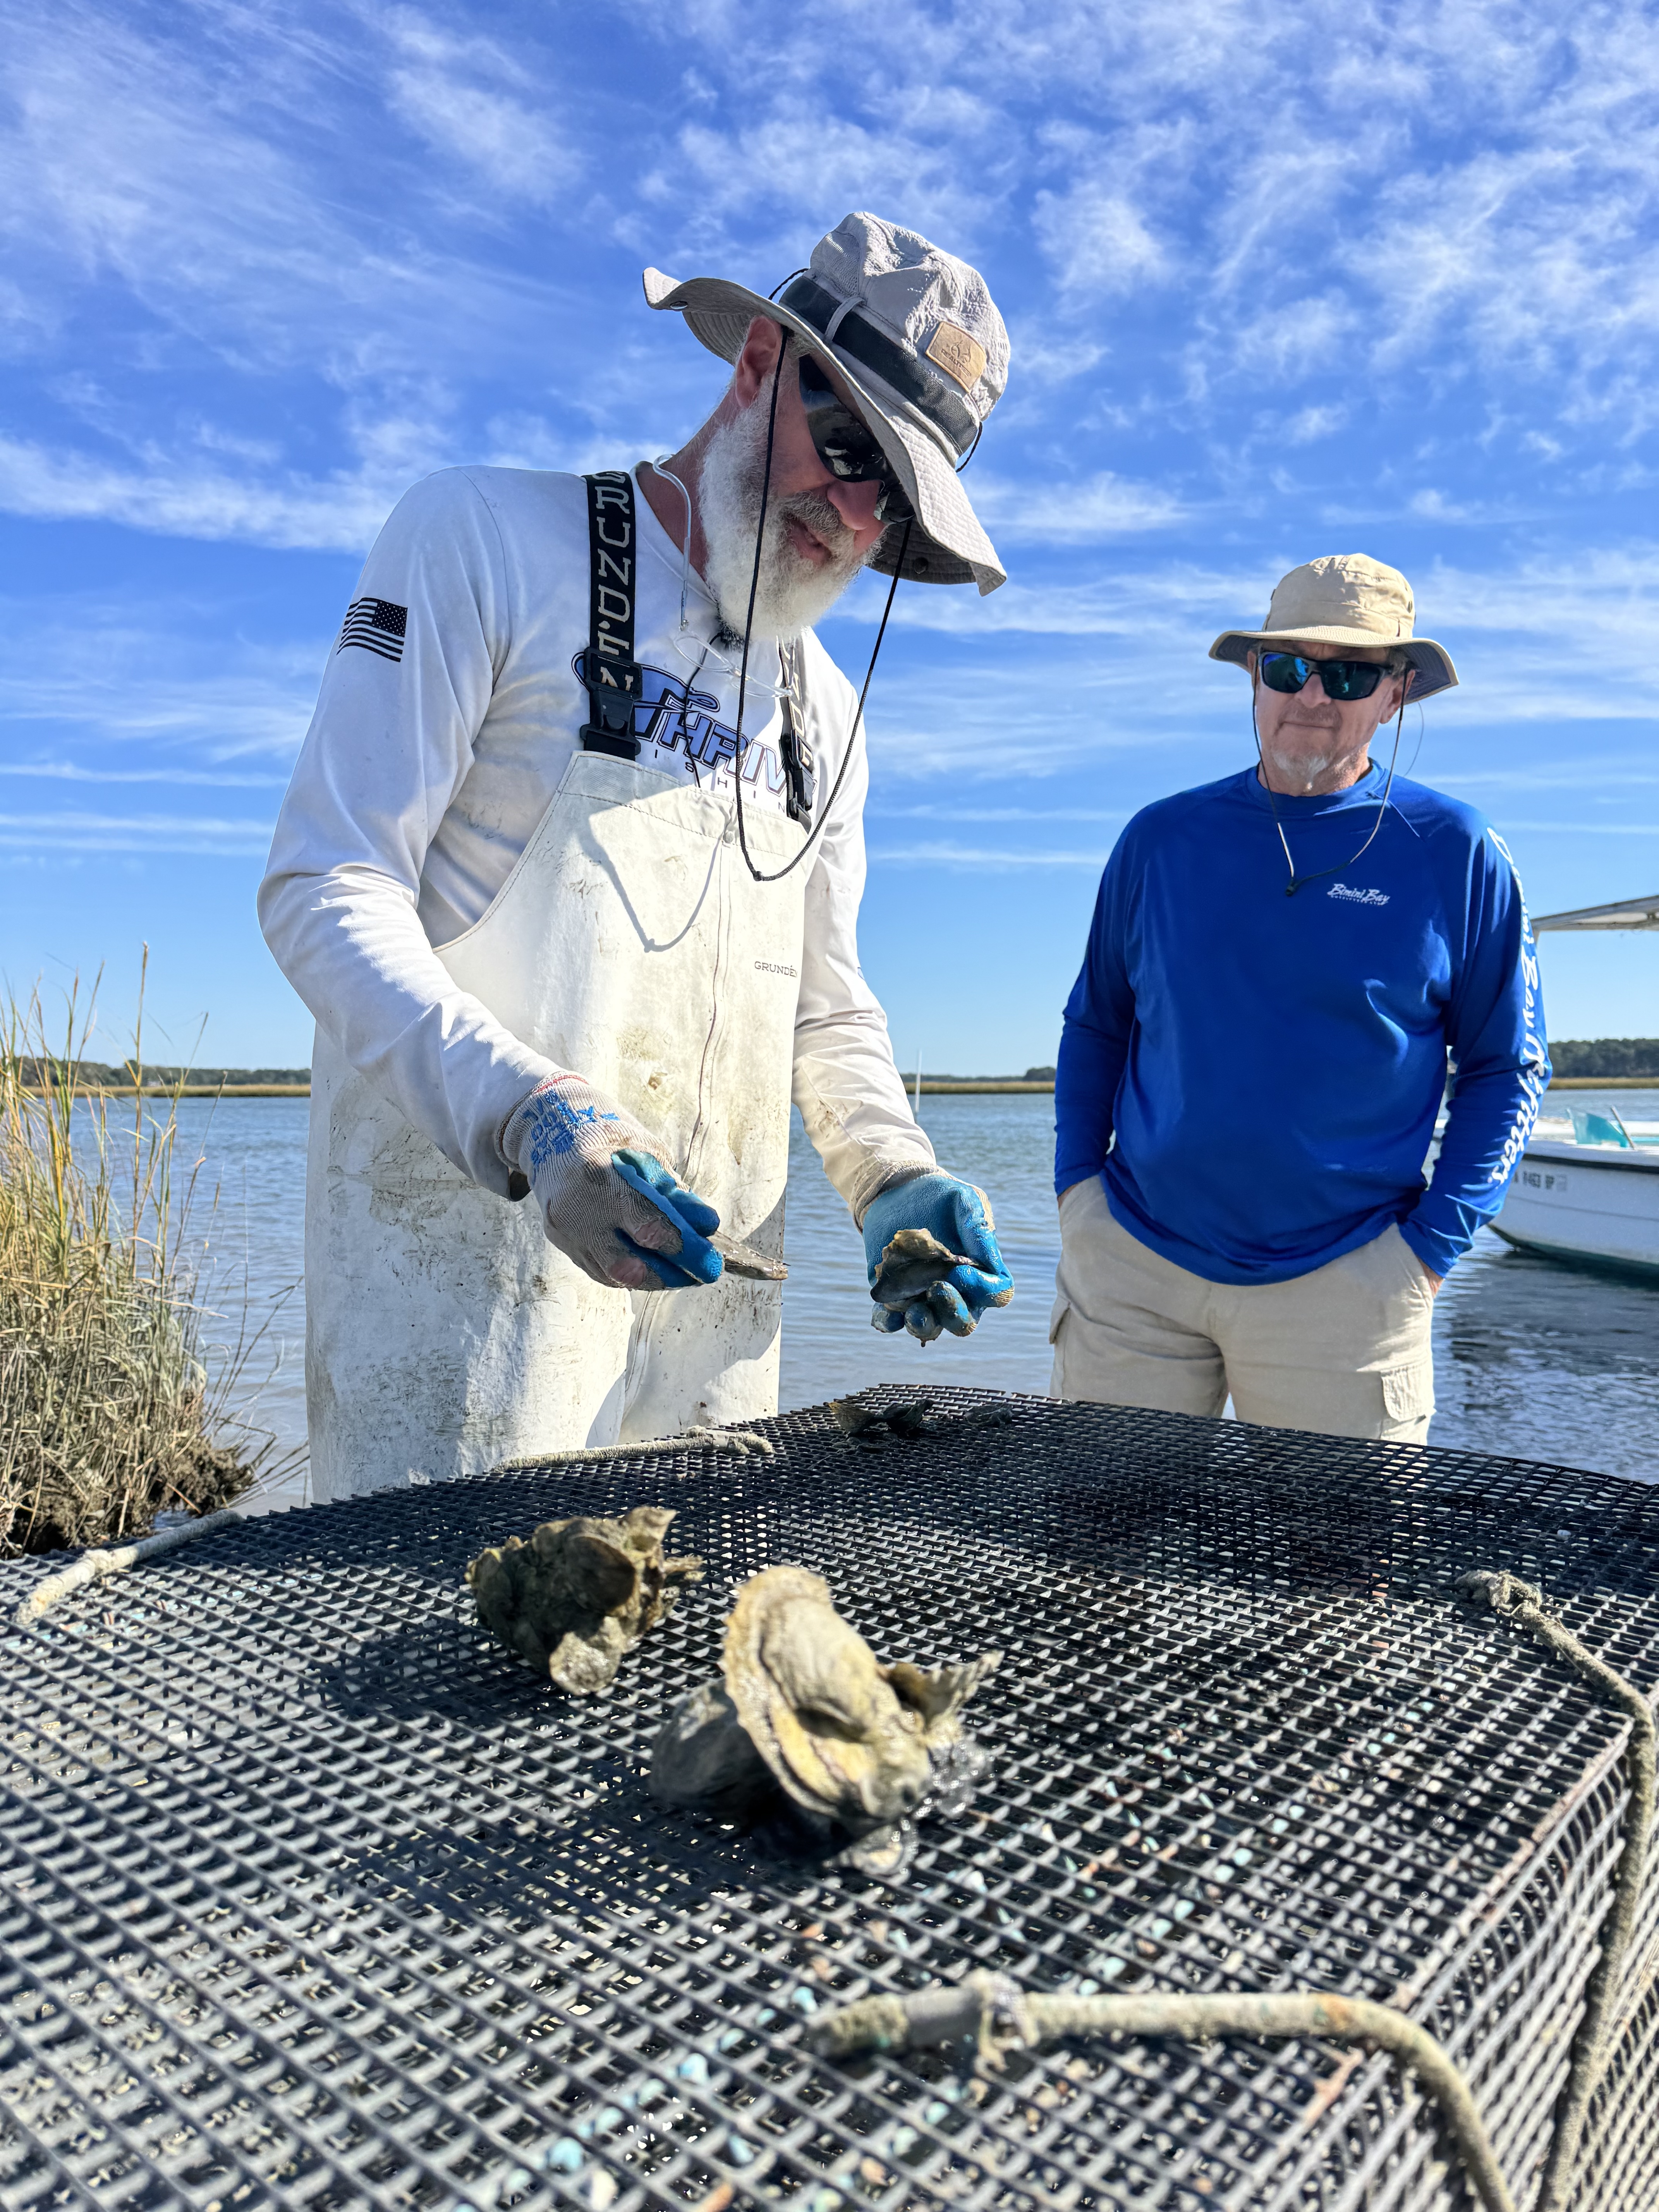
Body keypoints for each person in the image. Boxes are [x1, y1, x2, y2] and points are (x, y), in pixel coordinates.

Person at [259, 212, 1015, 1499]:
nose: (851, 514)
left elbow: (825, 1003)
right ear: (756, 364)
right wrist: (532, 1117)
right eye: (846, 452)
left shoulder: (824, 710)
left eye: (895, 501)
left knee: (694, 1680)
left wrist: (890, 1168)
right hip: (468, 1316)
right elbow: (327, 885)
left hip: (717, 1334)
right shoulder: (482, 539)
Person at [1050, 553, 1548, 1443]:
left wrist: (1428, 1254)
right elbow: (1096, 1025)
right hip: (1132, 1268)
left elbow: (1508, 1069)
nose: (1313, 696)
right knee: (1103, 1556)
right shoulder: (1160, 840)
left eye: (1350, 673)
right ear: (1254, 675)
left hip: (1347, 1288)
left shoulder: (1458, 852)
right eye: (1289, 668)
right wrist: (1077, 1197)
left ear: (1395, 694)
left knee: (1337, 1580)